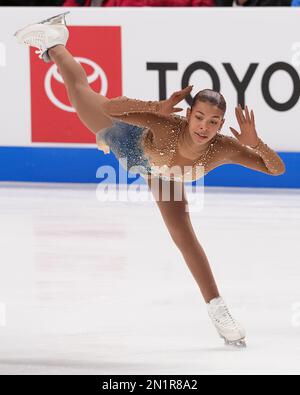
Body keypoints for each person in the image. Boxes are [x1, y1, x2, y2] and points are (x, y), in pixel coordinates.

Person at [14, 12, 286, 347]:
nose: (204, 127)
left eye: (213, 122)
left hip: (164, 174)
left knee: (184, 237)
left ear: (221, 124)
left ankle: (219, 312)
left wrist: (255, 143)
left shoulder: (224, 148)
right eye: (199, 117)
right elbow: (113, 107)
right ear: (188, 115)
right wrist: (155, 107)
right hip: (126, 137)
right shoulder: (167, 125)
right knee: (79, 91)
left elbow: (277, 170)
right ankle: (55, 41)